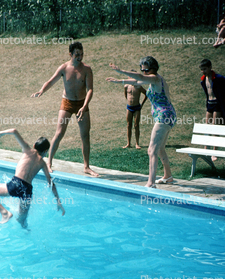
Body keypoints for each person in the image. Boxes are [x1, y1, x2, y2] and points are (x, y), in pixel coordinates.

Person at [106, 56, 176, 188]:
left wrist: (121, 71)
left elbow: (139, 77)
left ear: (152, 69)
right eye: (142, 70)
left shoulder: (155, 78)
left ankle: (151, 183)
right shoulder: (152, 81)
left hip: (164, 116)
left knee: (152, 150)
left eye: (145, 70)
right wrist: (119, 81)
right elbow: (136, 81)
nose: (143, 72)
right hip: (167, 115)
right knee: (160, 149)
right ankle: (168, 176)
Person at [31, 41, 98, 177]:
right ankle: (48, 163)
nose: (80, 57)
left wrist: (84, 106)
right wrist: (42, 90)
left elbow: (90, 89)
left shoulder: (86, 69)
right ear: (70, 54)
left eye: (81, 54)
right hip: (67, 102)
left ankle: (86, 167)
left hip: (81, 103)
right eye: (77, 55)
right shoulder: (64, 68)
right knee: (59, 132)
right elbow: (51, 81)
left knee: (85, 135)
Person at [0, 128, 65, 228]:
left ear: (34, 145)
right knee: (22, 221)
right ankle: (27, 234)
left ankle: (5, 213)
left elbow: (14, 130)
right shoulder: (43, 164)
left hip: (16, 184)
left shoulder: (27, 150)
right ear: (46, 151)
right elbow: (51, 183)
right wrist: (58, 201)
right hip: (28, 191)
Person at [199, 59, 225, 161]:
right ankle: (206, 149)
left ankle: (214, 152)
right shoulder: (203, 79)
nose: (203, 71)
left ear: (210, 68)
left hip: (217, 104)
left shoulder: (218, 78)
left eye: (205, 69)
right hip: (209, 104)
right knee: (207, 127)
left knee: (215, 128)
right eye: (201, 69)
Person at [123, 72, 147, 149]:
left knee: (136, 125)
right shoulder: (126, 86)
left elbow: (146, 94)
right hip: (129, 107)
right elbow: (126, 95)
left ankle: (137, 143)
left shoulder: (138, 86)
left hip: (137, 108)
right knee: (128, 125)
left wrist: (142, 104)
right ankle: (128, 143)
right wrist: (128, 101)